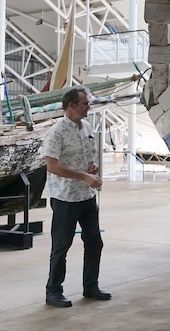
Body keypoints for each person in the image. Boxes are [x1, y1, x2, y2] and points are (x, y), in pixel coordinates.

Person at [42, 86, 112, 307]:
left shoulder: (87, 127)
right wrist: (82, 176)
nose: (88, 107)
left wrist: (92, 168)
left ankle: (90, 286)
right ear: (71, 106)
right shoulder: (57, 131)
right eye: (84, 103)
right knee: (61, 245)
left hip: (87, 196)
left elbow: (88, 157)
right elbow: (52, 166)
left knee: (94, 242)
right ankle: (53, 291)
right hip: (66, 198)